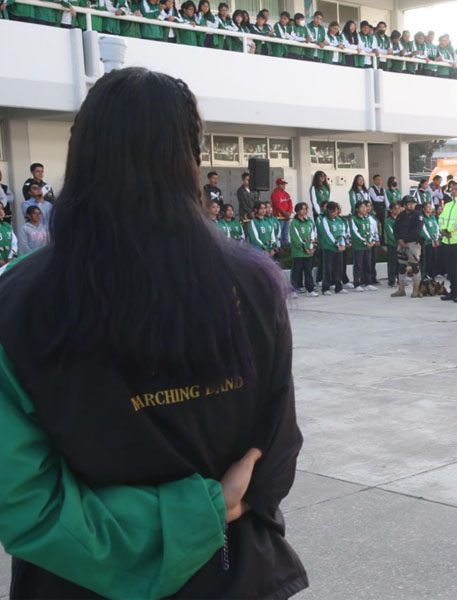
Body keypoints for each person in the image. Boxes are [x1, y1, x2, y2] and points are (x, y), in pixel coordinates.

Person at [0, 68, 307, 598]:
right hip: (233, 571)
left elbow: (25, 504)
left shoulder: (17, 300)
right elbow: (275, 453)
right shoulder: (254, 283)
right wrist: (212, 505)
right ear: (191, 157)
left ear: (82, 154)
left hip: (78, 581)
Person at [392, 196, 425, 298]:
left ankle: (416, 289)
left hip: (412, 244)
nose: (411, 206)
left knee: (415, 266)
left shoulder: (418, 215)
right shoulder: (401, 215)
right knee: (402, 266)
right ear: (405, 205)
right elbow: (395, 228)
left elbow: (417, 230)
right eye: (409, 204)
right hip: (401, 243)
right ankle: (401, 289)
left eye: (413, 204)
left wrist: (404, 240)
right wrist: (399, 239)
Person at [289, 202, 317, 298]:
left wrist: (312, 247)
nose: (305, 211)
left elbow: (312, 234)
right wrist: (304, 248)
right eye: (303, 209)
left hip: (309, 251)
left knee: (308, 270)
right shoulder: (294, 223)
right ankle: (292, 289)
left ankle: (310, 289)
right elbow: (296, 237)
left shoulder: (309, 221)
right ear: (297, 211)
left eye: (306, 209)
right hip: (299, 252)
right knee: (296, 271)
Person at [318, 201, 346, 295]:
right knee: (328, 269)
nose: (336, 213)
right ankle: (325, 288)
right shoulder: (325, 220)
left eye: (337, 211)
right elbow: (327, 234)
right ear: (329, 211)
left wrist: (342, 244)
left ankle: (339, 287)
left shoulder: (339, 220)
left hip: (339, 248)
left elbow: (342, 232)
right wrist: (336, 244)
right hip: (329, 248)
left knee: (338, 268)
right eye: (334, 211)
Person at [350, 200, 376, 291]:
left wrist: (372, 240)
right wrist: (364, 241)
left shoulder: (367, 218)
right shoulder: (354, 219)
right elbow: (355, 232)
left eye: (365, 207)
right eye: (362, 207)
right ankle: (357, 284)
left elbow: (371, 230)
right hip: (359, 246)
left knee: (368, 264)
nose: (365, 209)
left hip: (368, 246)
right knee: (358, 265)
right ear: (357, 209)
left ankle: (368, 282)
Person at [420, 201, 440, 281]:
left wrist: (437, 238)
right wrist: (430, 239)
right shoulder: (423, 218)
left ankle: (432, 275)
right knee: (427, 259)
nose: (430, 208)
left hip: (435, 241)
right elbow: (423, 230)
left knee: (434, 258)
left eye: (430, 207)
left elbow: (437, 228)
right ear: (424, 209)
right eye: (428, 207)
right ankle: (425, 275)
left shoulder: (433, 217)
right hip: (427, 242)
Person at [271, 177, 293, 245]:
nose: (283, 186)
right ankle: (278, 247)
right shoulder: (274, 194)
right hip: (279, 217)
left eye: (284, 184)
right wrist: (284, 212)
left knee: (286, 233)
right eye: (281, 184)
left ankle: (285, 248)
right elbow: (277, 204)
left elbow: (290, 204)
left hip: (287, 217)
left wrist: (289, 212)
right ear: (277, 185)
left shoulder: (286, 194)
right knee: (279, 233)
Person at [384, 202, 400, 287]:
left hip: (401, 245)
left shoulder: (400, 219)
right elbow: (390, 234)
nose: (397, 210)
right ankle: (391, 280)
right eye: (395, 209)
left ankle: (399, 279)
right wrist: (398, 240)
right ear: (391, 210)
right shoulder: (388, 221)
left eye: (398, 208)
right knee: (392, 263)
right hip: (393, 244)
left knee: (400, 263)